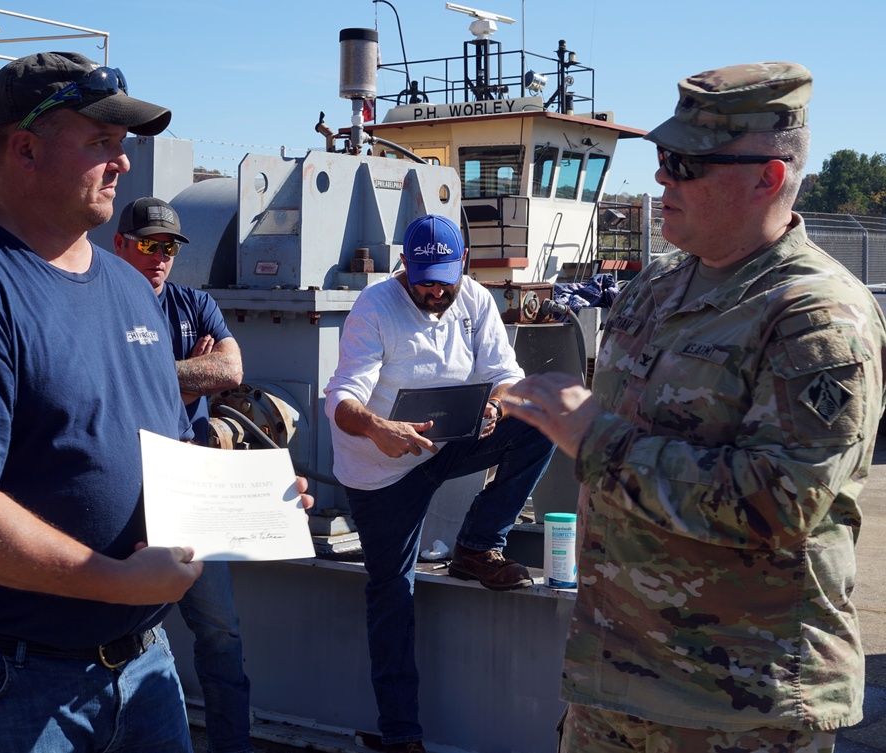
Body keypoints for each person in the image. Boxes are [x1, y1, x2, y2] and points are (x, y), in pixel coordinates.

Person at [505, 62, 886, 752]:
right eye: (661, 158)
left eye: (685, 163)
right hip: (614, 684)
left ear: (767, 177)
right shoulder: (656, 286)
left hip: (736, 707)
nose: (661, 179)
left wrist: (594, 436)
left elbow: (779, 500)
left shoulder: (815, 315)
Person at [0, 51, 238, 753]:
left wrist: (245, 498)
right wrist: (111, 580)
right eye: (102, 142)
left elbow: (159, 453)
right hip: (0, 689)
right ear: (24, 149)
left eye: (124, 145)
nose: (124, 163)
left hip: (141, 669)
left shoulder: (130, 288)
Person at [324, 213, 555, 753]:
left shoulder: (472, 298)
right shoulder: (374, 307)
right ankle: (401, 734)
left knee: (538, 417)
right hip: (382, 468)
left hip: (447, 445)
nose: (432, 291)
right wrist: (379, 428)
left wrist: (497, 404)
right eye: (422, 279)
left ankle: (476, 546)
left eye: (443, 281)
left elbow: (507, 372)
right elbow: (341, 396)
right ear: (405, 266)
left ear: (462, 268)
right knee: (392, 593)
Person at [115, 196, 252, 753]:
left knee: (221, 631)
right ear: (120, 244)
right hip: (127, 492)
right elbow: (107, 384)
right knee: (120, 631)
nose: (160, 257)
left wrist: (155, 374)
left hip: (192, 488)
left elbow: (232, 369)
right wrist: (189, 377)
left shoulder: (194, 303)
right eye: (149, 244)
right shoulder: (101, 307)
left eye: (169, 247)